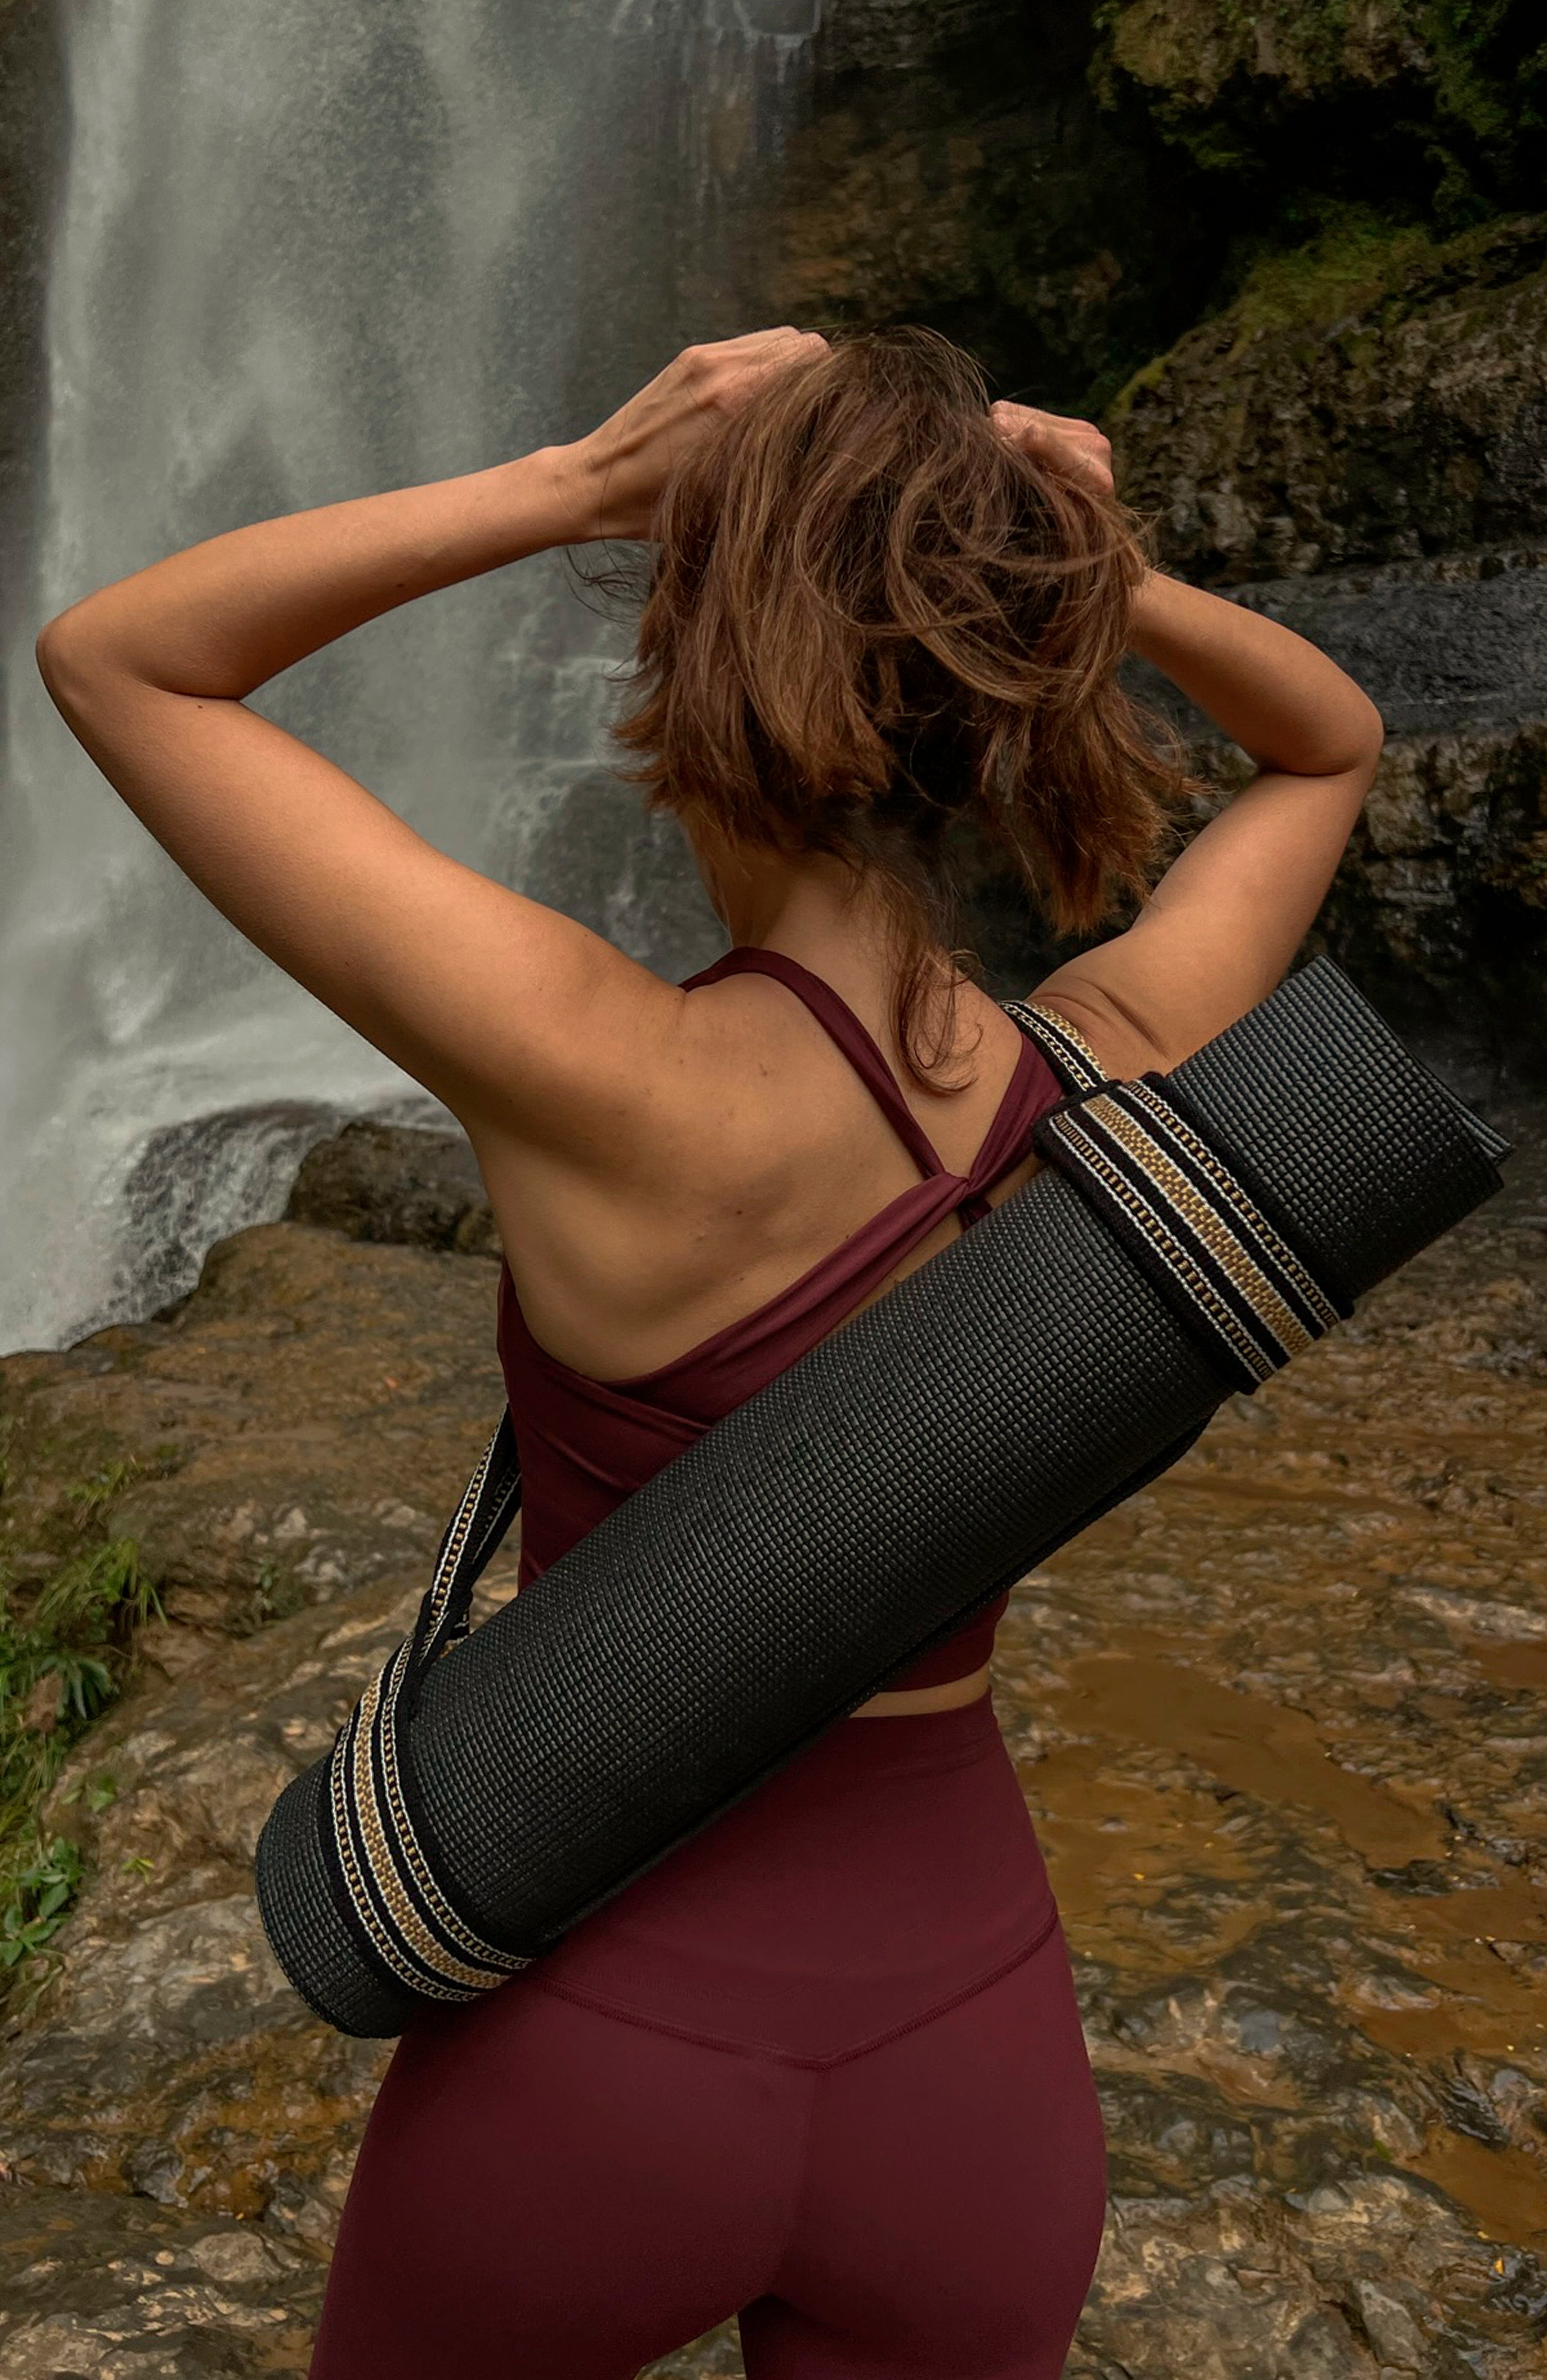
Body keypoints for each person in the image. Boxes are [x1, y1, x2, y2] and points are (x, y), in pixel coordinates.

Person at [37, 323, 1384, 2379]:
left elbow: (120, 655)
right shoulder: (1107, 1070)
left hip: (604, 2060)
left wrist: (572, 483)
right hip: (978, 2069)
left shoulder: (596, 1071)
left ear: (697, 660)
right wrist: (1092, 564)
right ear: (1006, 697)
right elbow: (1331, 748)